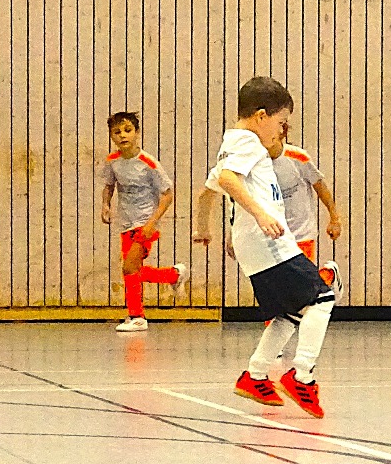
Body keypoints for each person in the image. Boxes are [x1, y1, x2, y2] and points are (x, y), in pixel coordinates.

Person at [193, 76, 335, 419]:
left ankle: (256, 376)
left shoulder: (231, 143)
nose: (282, 130)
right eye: (280, 121)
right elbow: (226, 180)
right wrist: (259, 214)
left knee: (291, 311)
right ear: (260, 116)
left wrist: (204, 228)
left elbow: (207, 191)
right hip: (268, 242)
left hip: (256, 245)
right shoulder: (249, 142)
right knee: (322, 297)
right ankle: (302, 376)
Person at [99, 112, 187, 333]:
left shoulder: (148, 163)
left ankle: (137, 317)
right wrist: (105, 205)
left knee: (129, 268)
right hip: (125, 222)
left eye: (127, 130)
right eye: (117, 132)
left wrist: (151, 223)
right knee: (132, 270)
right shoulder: (112, 161)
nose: (123, 135)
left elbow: (167, 194)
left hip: (145, 222)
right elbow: (109, 185)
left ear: (137, 133)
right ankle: (174, 275)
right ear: (111, 136)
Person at [269, 134, 341, 290]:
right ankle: (327, 277)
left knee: (300, 287)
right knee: (280, 287)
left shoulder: (298, 157)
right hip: (275, 235)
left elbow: (320, 186)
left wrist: (334, 219)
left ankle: (329, 277)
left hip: (302, 233)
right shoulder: (257, 162)